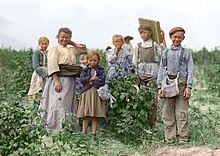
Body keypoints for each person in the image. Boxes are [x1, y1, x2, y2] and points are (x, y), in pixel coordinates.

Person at [39, 27, 87, 133]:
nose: (64, 40)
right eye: (62, 37)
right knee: (57, 102)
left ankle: (67, 127)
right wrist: (56, 80)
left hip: (70, 80)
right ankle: (54, 128)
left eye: (67, 38)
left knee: (67, 104)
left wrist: (71, 42)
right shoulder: (55, 49)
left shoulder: (71, 49)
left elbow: (83, 50)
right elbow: (52, 64)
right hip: (59, 79)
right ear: (57, 37)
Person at [157, 27, 194, 144]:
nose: (177, 39)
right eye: (175, 37)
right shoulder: (166, 52)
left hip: (182, 85)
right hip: (168, 84)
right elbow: (161, 70)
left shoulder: (186, 52)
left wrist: (189, 87)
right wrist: (159, 87)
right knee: (167, 112)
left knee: (182, 112)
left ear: (183, 38)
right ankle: (170, 138)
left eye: (179, 37)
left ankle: (182, 138)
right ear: (171, 38)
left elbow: (190, 70)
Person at [132, 24, 166, 132]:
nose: (143, 35)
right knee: (142, 98)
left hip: (153, 75)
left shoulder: (155, 44)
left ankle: (153, 123)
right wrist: (135, 75)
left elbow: (164, 54)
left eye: (145, 32)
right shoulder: (138, 46)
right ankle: (143, 122)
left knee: (153, 100)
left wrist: (162, 38)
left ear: (150, 33)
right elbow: (134, 61)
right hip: (141, 75)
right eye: (141, 33)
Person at [77, 49, 105, 140]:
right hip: (87, 93)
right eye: (91, 60)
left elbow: (102, 81)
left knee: (95, 115)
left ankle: (93, 134)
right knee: (86, 115)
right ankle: (83, 134)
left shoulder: (100, 70)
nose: (92, 62)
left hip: (96, 94)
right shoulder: (84, 70)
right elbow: (82, 80)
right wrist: (92, 78)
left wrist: (91, 83)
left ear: (98, 61)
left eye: (95, 60)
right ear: (87, 60)